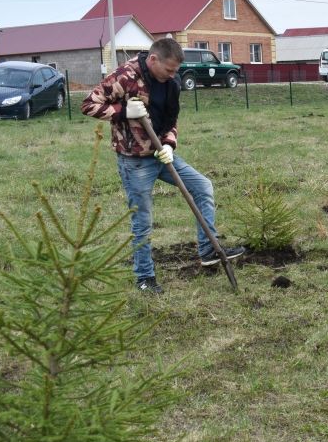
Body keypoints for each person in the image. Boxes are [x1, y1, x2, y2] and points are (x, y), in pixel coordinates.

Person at [81, 38, 244, 294]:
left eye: (176, 70)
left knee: (203, 187)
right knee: (142, 221)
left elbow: (171, 118)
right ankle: (145, 278)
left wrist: (169, 143)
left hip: (161, 154)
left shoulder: (172, 82)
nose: (172, 75)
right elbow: (88, 104)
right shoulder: (125, 76)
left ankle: (208, 249)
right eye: (168, 70)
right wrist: (124, 111)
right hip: (135, 161)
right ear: (153, 59)